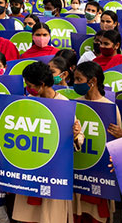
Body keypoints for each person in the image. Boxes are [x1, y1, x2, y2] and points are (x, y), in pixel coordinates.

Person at [14, 62, 82, 223]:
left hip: (53, 174)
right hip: (30, 170)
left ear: (41, 85)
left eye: (29, 85)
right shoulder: (27, 101)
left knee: (49, 217)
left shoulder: (63, 104)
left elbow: (79, 139)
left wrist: (75, 135)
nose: (27, 87)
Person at [71, 62, 122, 221]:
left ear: (92, 81)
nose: (75, 83)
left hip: (99, 176)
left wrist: (121, 135)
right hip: (77, 173)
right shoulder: (74, 104)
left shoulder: (110, 108)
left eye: (79, 79)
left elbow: (117, 146)